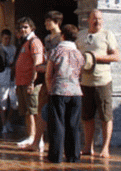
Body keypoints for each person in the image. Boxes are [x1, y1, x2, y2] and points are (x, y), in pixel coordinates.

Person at [76, 9, 120, 158]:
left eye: (100, 19)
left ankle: (105, 147)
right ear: (88, 20)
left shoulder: (107, 35)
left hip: (103, 81)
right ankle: (88, 146)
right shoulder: (81, 35)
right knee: (87, 116)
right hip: (85, 82)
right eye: (94, 19)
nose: (97, 22)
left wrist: (98, 57)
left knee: (105, 116)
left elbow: (116, 56)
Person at [46, 24, 84, 163]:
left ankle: (55, 156)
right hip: (75, 91)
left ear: (63, 36)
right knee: (73, 124)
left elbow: (49, 73)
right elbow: (80, 73)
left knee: (57, 124)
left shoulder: (56, 51)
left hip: (59, 90)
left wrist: (50, 88)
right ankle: (73, 155)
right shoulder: (79, 53)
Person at [27, 11, 64, 152]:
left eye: (49, 21)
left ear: (56, 22)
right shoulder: (48, 38)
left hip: (58, 77)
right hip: (47, 76)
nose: (46, 23)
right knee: (42, 108)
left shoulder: (61, 38)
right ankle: (37, 141)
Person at [14, 16, 44, 148]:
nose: (23, 29)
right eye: (21, 27)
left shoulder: (34, 42)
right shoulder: (24, 42)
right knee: (26, 112)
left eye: (25, 27)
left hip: (30, 82)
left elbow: (37, 62)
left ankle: (36, 138)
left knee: (34, 111)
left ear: (32, 28)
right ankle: (30, 135)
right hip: (21, 82)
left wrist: (33, 82)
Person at [0, 29, 18, 135]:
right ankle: (4, 124)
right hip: (2, 78)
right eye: (5, 38)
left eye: (9, 38)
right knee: (3, 103)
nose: (7, 40)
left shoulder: (13, 48)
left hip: (12, 78)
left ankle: (8, 121)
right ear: (2, 38)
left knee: (15, 103)